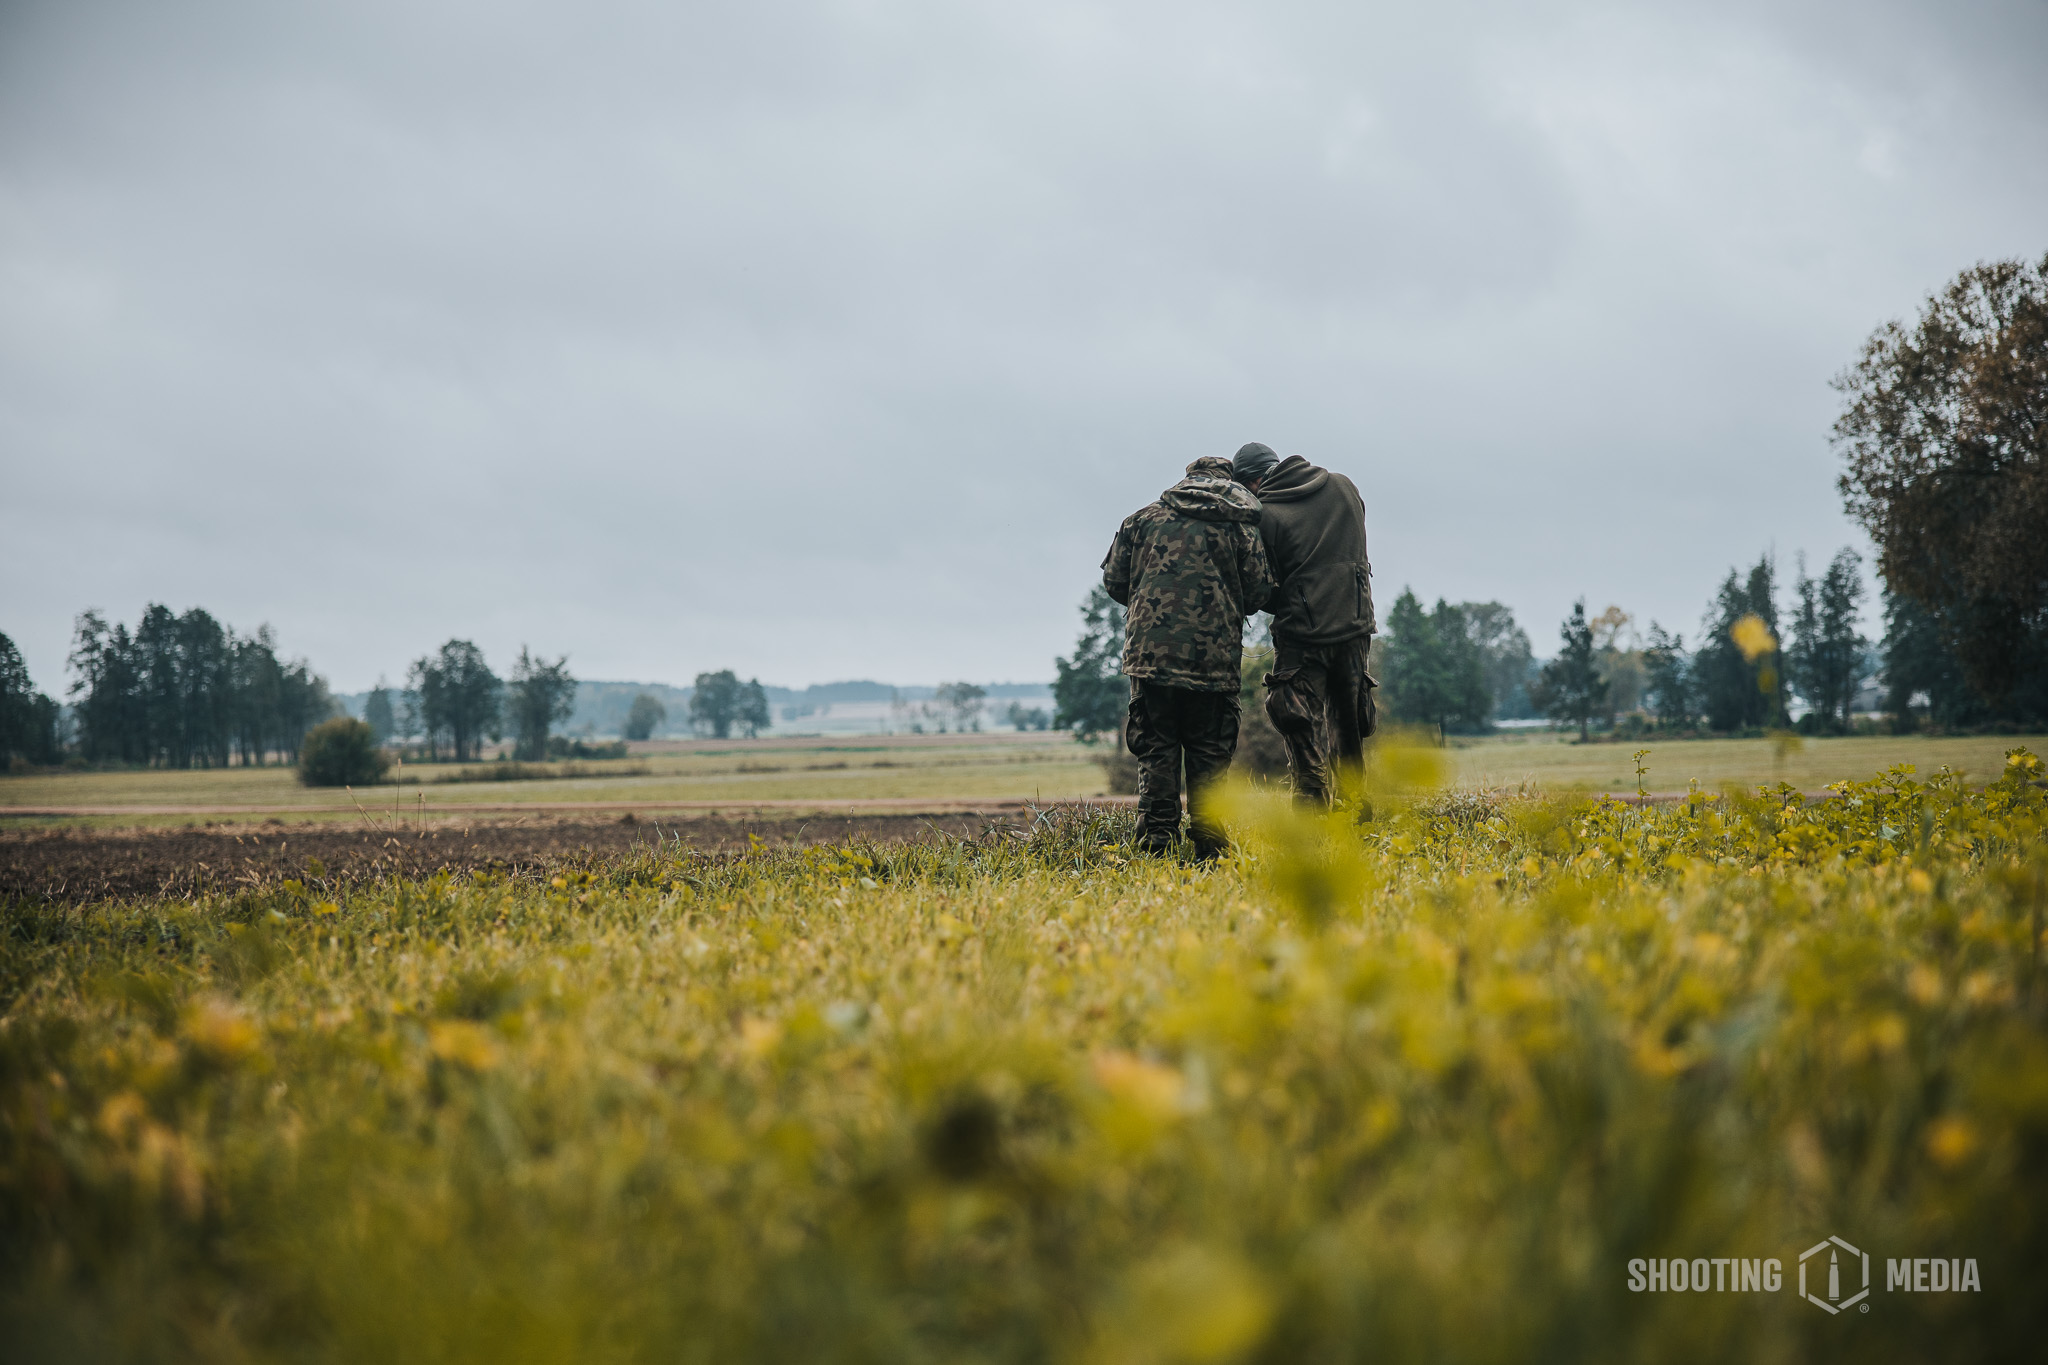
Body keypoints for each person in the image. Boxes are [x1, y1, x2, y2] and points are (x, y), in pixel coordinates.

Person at [1102, 456, 1275, 856]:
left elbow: (1114, 581)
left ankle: (1157, 841)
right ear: (1229, 482)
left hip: (1150, 659)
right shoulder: (1241, 525)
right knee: (1210, 751)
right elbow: (1259, 593)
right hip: (1214, 660)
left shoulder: (1140, 520)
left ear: (1188, 479)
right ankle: (1210, 846)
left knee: (1157, 748)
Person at [1230, 441, 1376, 807]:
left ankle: (1311, 816)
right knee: (1350, 728)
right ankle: (1356, 814)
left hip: (1302, 639)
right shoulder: (1344, 486)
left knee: (1300, 728)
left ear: (1252, 482)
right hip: (1355, 627)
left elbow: (1266, 587)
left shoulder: (1266, 515)